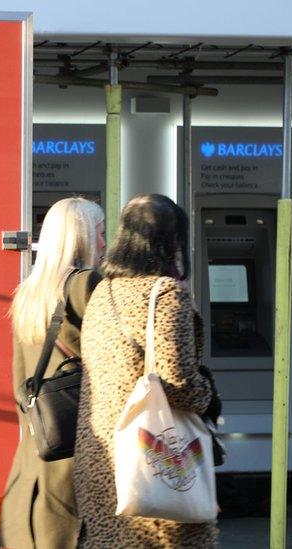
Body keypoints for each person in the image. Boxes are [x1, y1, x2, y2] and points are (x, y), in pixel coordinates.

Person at [74, 194, 219, 548]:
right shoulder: (165, 293)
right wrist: (209, 397)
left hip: (102, 455)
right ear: (172, 240)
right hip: (153, 456)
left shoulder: (103, 291)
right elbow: (178, 381)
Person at [0, 197, 106, 549]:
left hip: (34, 459)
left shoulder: (28, 293)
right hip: (76, 460)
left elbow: (20, 381)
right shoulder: (85, 285)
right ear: (83, 237)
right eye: (101, 233)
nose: (105, 243)